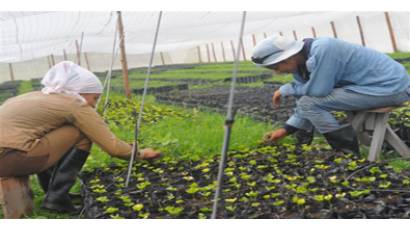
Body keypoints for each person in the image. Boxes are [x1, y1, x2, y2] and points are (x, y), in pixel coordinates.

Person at [0, 61, 161, 213]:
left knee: (53, 132)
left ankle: (52, 192)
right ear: (79, 92)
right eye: (95, 98)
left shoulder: (34, 97)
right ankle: (57, 197)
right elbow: (112, 147)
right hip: (9, 158)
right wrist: (140, 154)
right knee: (83, 133)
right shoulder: (74, 103)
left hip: (6, 155)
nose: (93, 104)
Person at [251, 35, 410, 155]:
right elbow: (307, 99)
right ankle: (304, 145)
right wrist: (286, 129)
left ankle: (346, 154)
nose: (277, 72)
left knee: (310, 101)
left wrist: (286, 89)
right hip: (370, 88)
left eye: (276, 66)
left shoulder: (324, 49)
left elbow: (318, 92)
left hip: (391, 87)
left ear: (288, 57)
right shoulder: (301, 68)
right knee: (308, 101)